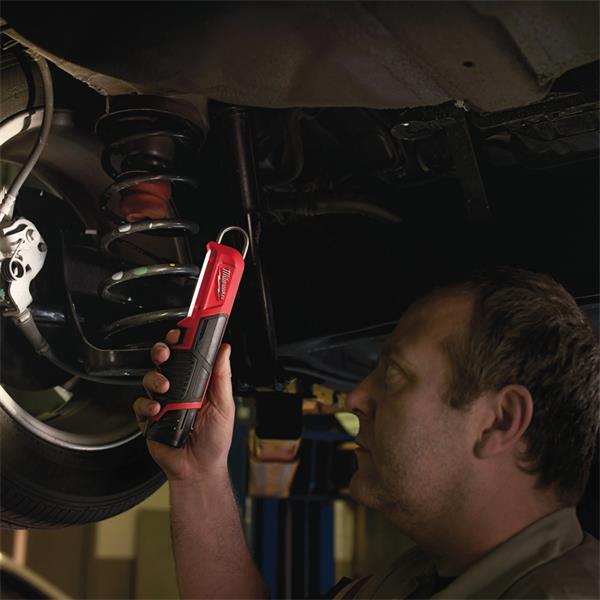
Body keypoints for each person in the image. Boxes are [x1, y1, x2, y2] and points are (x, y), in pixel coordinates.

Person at [133, 267, 599, 599]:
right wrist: (199, 474)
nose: (356, 397)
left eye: (395, 373)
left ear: (500, 421)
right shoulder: (421, 577)